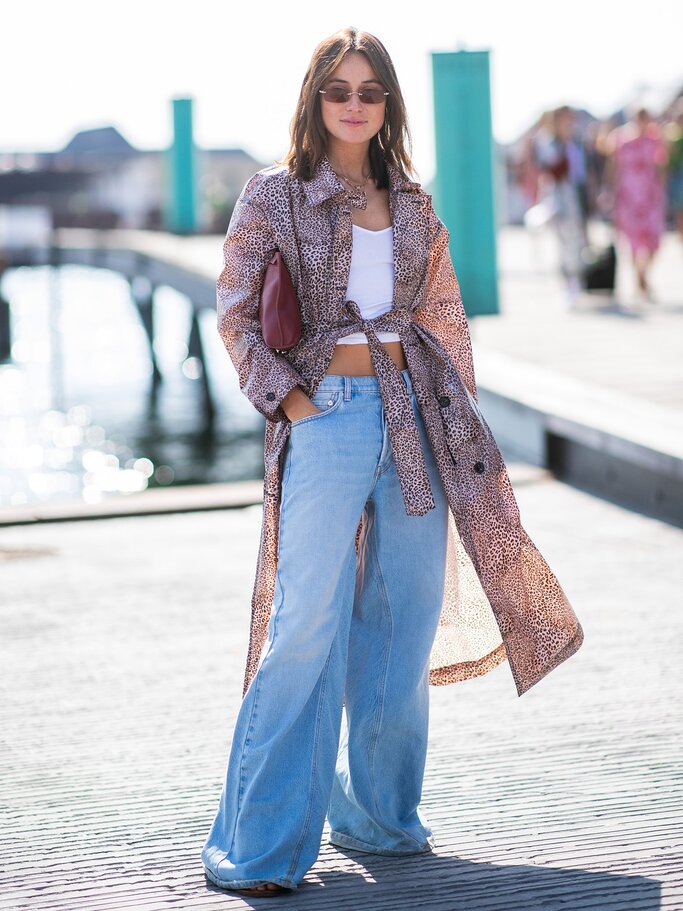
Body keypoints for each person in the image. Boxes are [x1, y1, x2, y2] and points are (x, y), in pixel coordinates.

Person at [201, 26, 584, 897]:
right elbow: (234, 316)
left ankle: (378, 816)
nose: (353, 104)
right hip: (325, 418)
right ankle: (260, 846)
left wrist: (451, 421)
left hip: (413, 417)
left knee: (401, 622)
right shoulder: (273, 194)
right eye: (338, 89)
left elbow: (444, 317)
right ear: (314, 99)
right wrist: (294, 406)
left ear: (387, 106)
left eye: (370, 91)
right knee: (304, 625)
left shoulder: (414, 204)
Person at [604, 105, 668, 302]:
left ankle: (643, 276)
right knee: (633, 240)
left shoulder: (655, 139)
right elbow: (613, 167)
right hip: (629, 196)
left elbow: (662, 165)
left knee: (654, 241)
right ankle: (639, 279)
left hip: (650, 196)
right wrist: (610, 193)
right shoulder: (621, 139)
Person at [533, 106, 589, 307]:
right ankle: (567, 282)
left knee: (577, 241)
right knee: (561, 241)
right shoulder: (549, 142)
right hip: (557, 199)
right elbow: (550, 170)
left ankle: (576, 279)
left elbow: (582, 171)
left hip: (575, 197)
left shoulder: (577, 141)